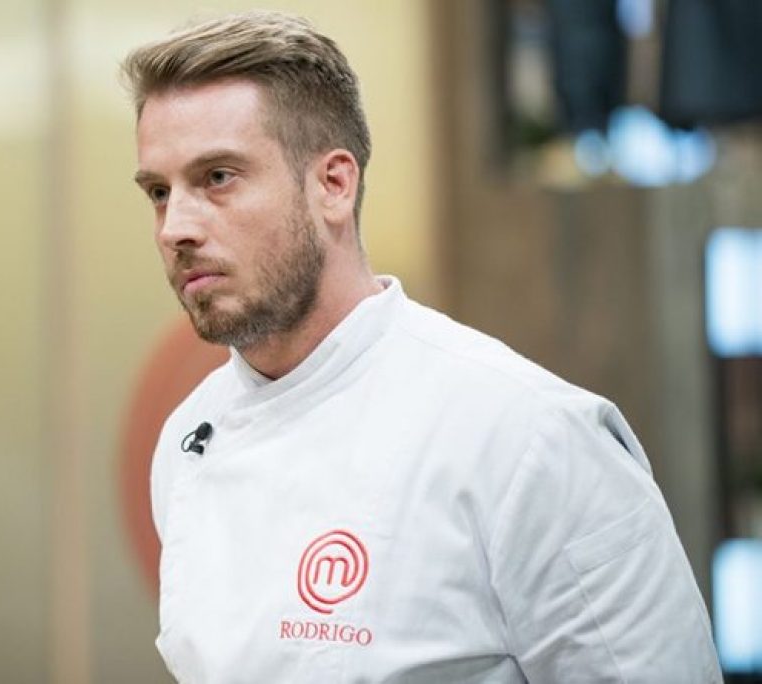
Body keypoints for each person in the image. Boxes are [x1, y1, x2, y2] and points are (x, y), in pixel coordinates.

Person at [123, 10, 720, 684]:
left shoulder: (530, 439)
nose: (175, 228)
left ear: (333, 185)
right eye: (158, 192)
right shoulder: (187, 442)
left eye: (217, 178)